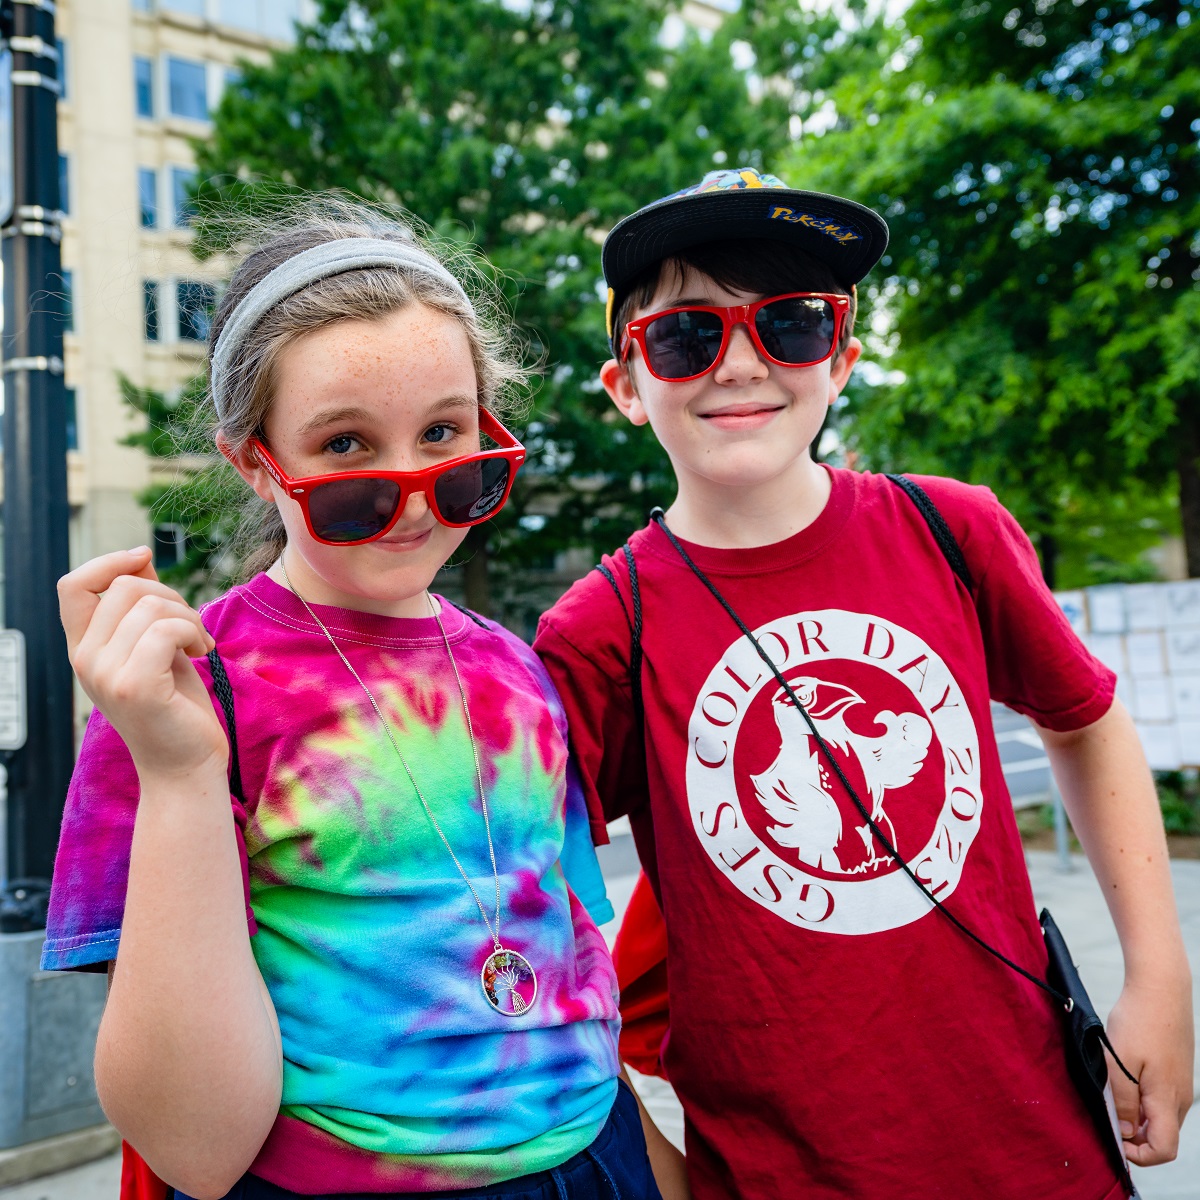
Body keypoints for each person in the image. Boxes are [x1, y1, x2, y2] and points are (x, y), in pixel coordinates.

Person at [533, 167, 1194, 1200]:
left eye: (790, 323)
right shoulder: (602, 628)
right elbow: (519, 900)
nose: (741, 363)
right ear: (625, 385)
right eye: (685, 334)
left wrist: (1159, 977)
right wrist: (634, 1148)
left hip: (1037, 1151)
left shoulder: (953, 530)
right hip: (780, 1173)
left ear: (840, 357)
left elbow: (1088, 718)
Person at [46, 201, 671, 1200]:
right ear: (255, 461)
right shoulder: (184, 691)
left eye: (444, 434)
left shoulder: (520, 670)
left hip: (600, 1161)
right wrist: (176, 774)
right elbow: (193, 1152)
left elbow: (569, 965)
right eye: (345, 447)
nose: (416, 490)